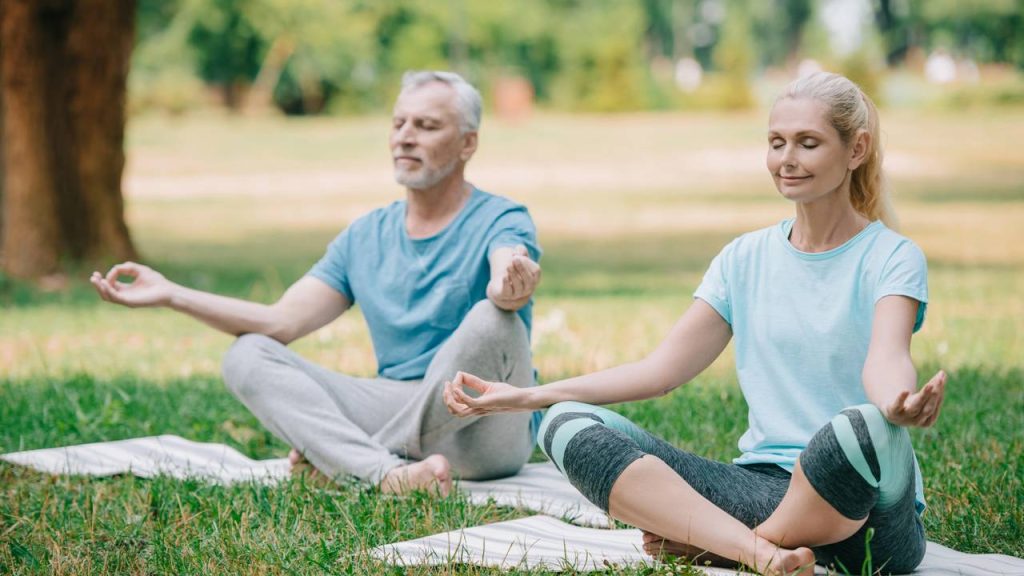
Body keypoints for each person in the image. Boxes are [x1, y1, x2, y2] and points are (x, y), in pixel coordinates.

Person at [444, 71, 945, 575]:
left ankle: (721, 543)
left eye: (807, 143)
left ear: (856, 149)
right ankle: (761, 553)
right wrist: (526, 396)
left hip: (872, 522)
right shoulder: (743, 258)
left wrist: (896, 402)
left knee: (862, 427)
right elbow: (660, 372)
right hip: (763, 488)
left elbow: (887, 356)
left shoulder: (891, 256)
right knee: (566, 423)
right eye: (776, 143)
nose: (786, 159)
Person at [91, 70, 543, 496]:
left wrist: (508, 287)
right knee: (247, 354)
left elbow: (506, 270)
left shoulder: (501, 217)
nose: (405, 135)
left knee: (495, 320)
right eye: (399, 122)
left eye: (426, 125)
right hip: (395, 402)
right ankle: (384, 474)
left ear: (467, 144)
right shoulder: (365, 236)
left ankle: (343, 462)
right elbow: (279, 321)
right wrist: (172, 294)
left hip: (487, 429)